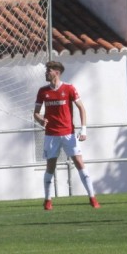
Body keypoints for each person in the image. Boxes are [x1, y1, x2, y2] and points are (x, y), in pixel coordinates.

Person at [33, 60, 99, 210]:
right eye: (46, 70)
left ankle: (92, 197)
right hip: (51, 135)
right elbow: (35, 113)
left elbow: (81, 108)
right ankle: (48, 200)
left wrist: (83, 130)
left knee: (79, 164)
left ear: (57, 72)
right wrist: (40, 119)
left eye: (48, 70)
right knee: (50, 166)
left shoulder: (69, 88)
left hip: (68, 134)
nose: (46, 73)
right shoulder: (43, 91)